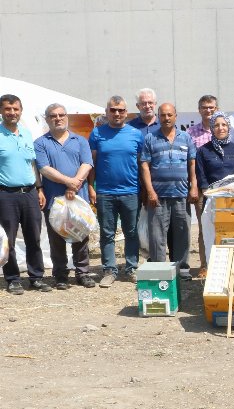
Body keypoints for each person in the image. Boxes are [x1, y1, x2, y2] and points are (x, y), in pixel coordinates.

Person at [34, 103, 96, 290]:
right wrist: (69, 182)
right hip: (54, 200)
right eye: (53, 116)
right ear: (47, 119)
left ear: (66, 117)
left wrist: (74, 183)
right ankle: (61, 275)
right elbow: (44, 168)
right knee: (57, 239)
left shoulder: (80, 140)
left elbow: (87, 163)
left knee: (80, 236)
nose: (58, 118)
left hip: (78, 199)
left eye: (61, 115)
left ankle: (82, 273)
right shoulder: (40, 143)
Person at [88, 95, 144, 287]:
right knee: (107, 233)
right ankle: (109, 270)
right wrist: (90, 187)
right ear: (107, 112)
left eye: (120, 110)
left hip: (131, 191)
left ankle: (131, 268)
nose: (117, 113)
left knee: (131, 232)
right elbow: (92, 164)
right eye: (113, 110)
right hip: (105, 192)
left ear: (126, 113)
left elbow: (141, 164)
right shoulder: (97, 134)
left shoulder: (136, 134)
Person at [140, 103, 198, 280]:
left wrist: (193, 186)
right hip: (158, 196)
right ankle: (160, 269)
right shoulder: (150, 138)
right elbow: (144, 165)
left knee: (182, 232)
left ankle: (182, 268)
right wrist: (150, 191)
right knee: (157, 235)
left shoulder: (185, 137)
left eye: (169, 115)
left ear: (175, 116)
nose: (166, 118)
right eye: (163, 115)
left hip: (181, 194)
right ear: (158, 116)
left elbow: (192, 164)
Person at [0, 94, 51, 295]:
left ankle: (36, 277)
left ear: (21, 111)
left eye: (15, 109)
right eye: (7, 109)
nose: (12, 113)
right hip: (6, 194)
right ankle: (12, 279)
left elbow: (32, 164)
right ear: (1, 111)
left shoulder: (27, 134)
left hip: (29, 193)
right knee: (8, 240)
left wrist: (39, 188)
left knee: (34, 237)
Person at [187, 94, 219, 278]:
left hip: (222, 188)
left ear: (217, 108)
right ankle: (205, 264)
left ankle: (223, 263)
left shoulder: (222, 129)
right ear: (199, 110)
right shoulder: (191, 133)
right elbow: (190, 162)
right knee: (203, 227)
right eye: (205, 107)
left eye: (211, 107)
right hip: (201, 189)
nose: (208, 110)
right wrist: (193, 185)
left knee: (223, 226)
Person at [196, 112, 234, 191]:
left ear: (228, 127)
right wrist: (208, 193)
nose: (221, 128)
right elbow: (201, 177)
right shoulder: (203, 151)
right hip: (211, 196)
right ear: (212, 128)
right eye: (216, 125)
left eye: (224, 125)